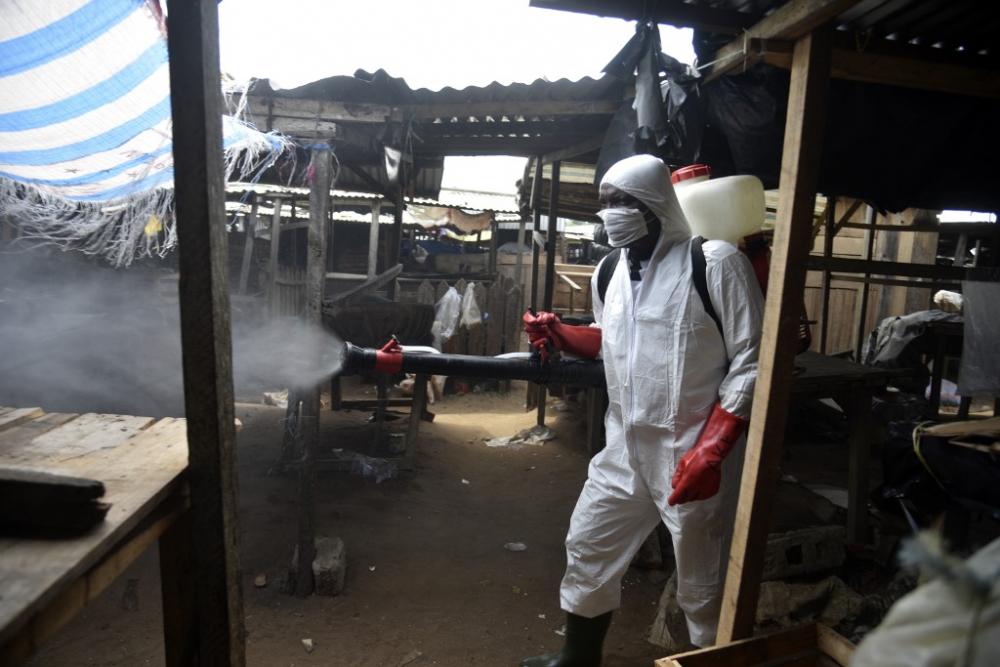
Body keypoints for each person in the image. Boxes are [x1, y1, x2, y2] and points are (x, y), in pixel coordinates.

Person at [520, 154, 764, 666]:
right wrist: (562, 333)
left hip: (692, 453)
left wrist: (713, 450)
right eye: (605, 203)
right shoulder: (608, 271)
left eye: (624, 202)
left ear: (656, 204)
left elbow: (753, 361)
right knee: (589, 546)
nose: (611, 213)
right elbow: (613, 342)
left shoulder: (715, 263)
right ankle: (577, 659)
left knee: (703, 583)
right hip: (625, 448)